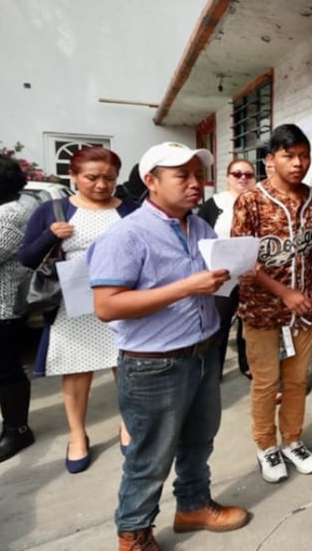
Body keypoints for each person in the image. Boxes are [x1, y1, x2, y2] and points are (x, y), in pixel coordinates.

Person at [87, 142, 249, 550]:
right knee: (149, 457)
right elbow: (107, 306)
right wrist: (187, 287)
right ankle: (133, 533)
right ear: (151, 181)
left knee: (199, 440)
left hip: (202, 353)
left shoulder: (200, 228)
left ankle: (193, 505)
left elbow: (212, 278)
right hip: (153, 365)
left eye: (198, 175)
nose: (195, 183)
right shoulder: (126, 235)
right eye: (182, 175)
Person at [17, 146, 138, 473]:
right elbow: (26, 257)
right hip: (73, 305)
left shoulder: (129, 209)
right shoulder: (52, 210)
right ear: (73, 176)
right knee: (76, 371)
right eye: (91, 177)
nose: (101, 185)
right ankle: (76, 435)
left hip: (121, 300)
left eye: (109, 178)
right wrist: (49, 236)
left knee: (124, 365)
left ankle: (128, 424)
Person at [231, 124, 312, 484]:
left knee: (296, 380)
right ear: (271, 159)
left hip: (303, 308)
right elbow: (242, 260)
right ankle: (266, 446)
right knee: (265, 382)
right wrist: (283, 291)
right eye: (289, 156)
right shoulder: (250, 200)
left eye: (304, 155)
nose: (298, 163)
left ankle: (292, 441)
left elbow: (308, 248)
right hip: (261, 309)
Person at [0, 155, 38, 465]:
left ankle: (17, 429)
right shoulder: (10, 207)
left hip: (0, 307)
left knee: (4, 371)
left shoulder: (8, 215)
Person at [198, 158, 256, 377]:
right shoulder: (213, 204)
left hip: (252, 273)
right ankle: (215, 371)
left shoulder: (260, 202)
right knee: (220, 323)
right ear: (228, 177)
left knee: (248, 323)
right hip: (222, 274)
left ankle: (247, 365)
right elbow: (200, 239)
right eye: (237, 174)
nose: (242, 178)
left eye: (248, 174)